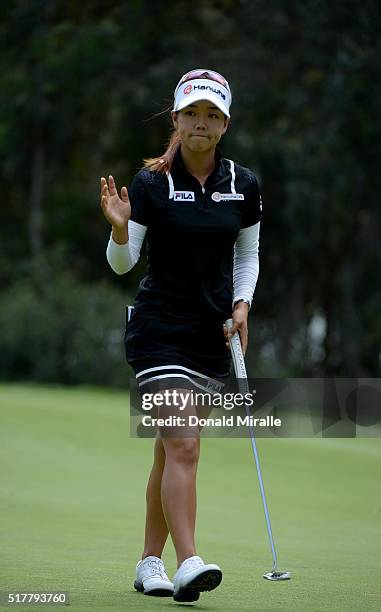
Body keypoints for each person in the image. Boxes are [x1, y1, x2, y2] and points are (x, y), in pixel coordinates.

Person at [100, 68, 262, 603]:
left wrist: (242, 304)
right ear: (175, 119)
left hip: (210, 336)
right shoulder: (151, 183)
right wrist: (121, 231)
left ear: (225, 124)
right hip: (158, 332)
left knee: (170, 454)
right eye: (191, 113)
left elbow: (247, 254)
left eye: (212, 114)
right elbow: (123, 264)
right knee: (185, 445)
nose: (201, 122)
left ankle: (150, 563)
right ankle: (189, 561)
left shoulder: (244, 185)